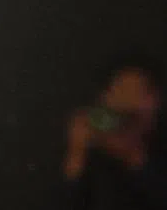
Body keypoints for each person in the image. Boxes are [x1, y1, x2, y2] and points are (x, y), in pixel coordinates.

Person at [61, 54, 167, 209]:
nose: (131, 102)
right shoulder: (93, 150)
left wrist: (134, 158)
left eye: (141, 92)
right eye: (123, 91)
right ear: (104, 98)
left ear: (158, 100)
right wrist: (76, 155)